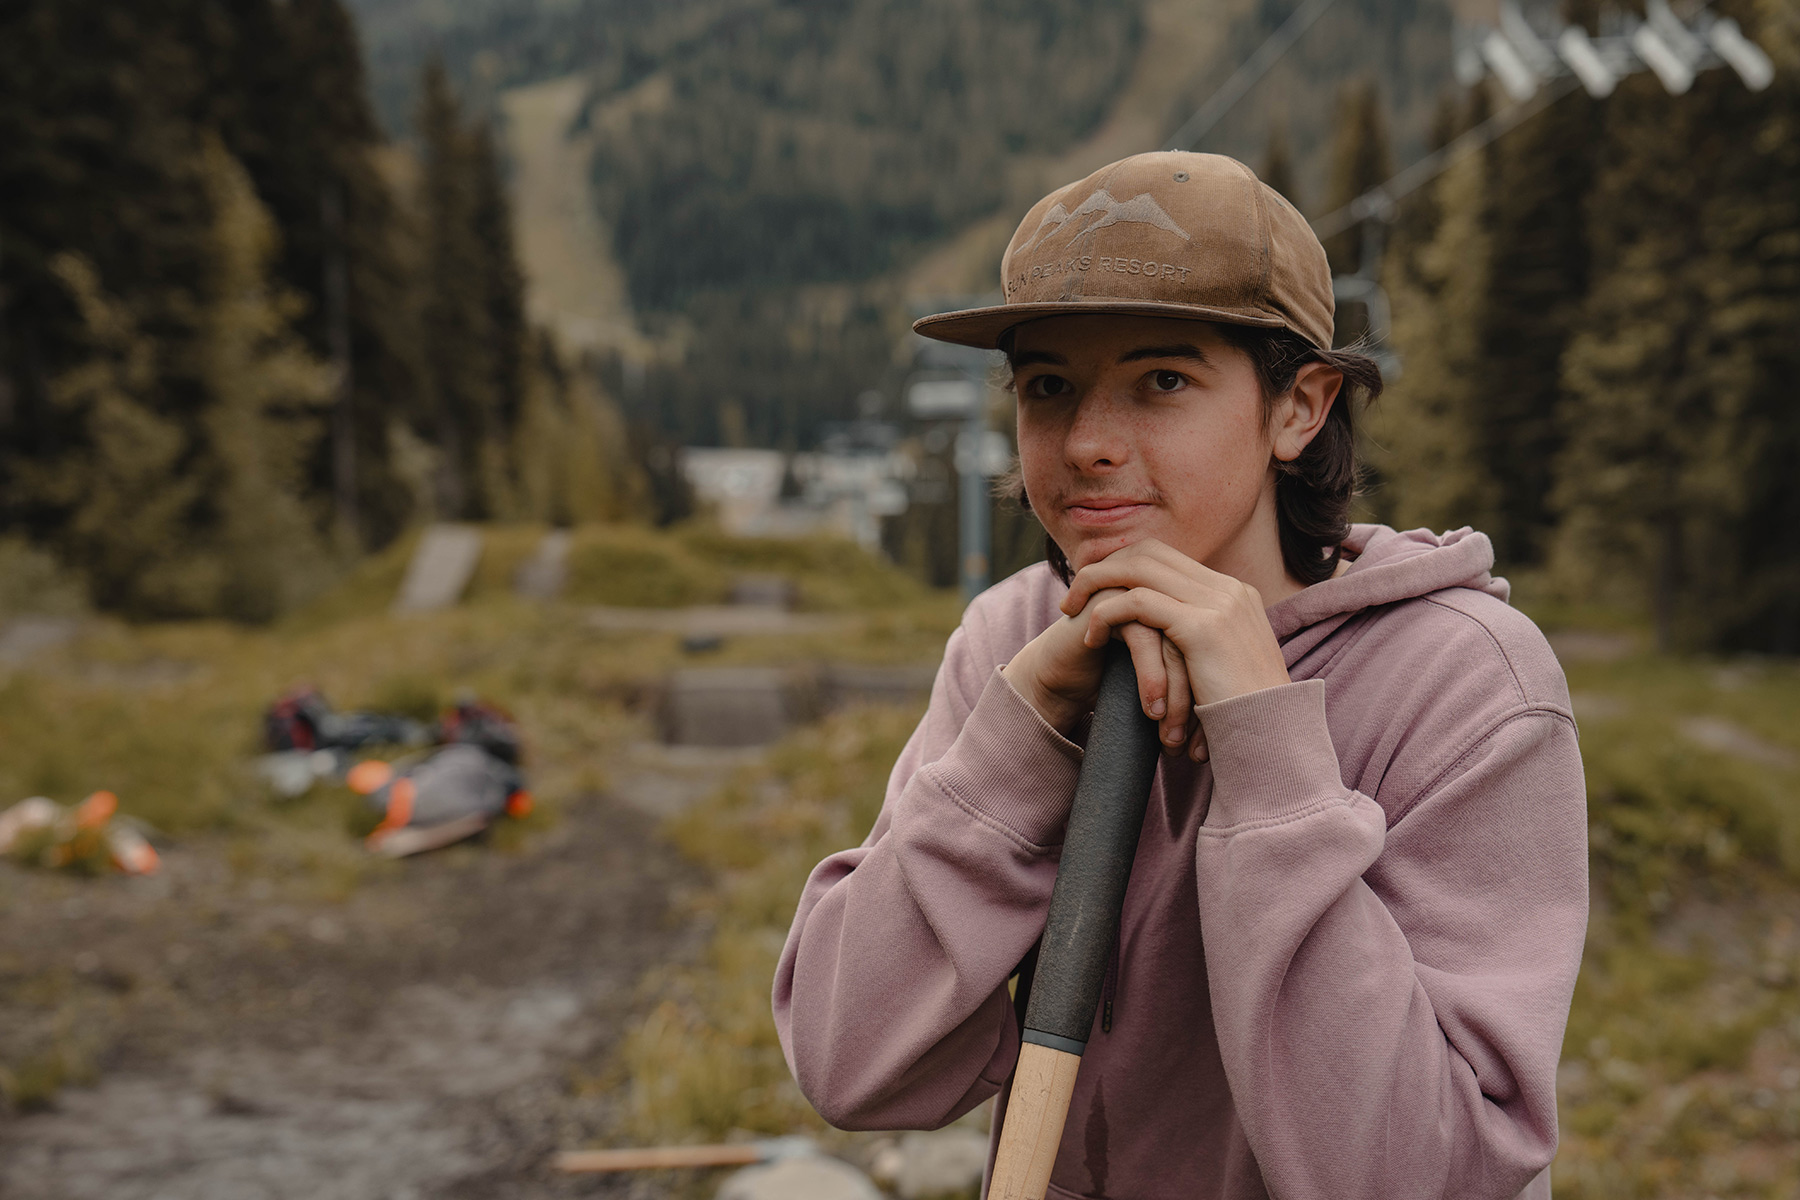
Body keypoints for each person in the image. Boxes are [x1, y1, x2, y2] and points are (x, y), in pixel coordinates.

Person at [773, 151, 1587, 1200]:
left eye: (1163, 381)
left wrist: (1270, 749)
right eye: (1047, 388)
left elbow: (1425, 1175)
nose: (1088, 444)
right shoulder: (1015, 637)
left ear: (1299, 407)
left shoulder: (1466, 680)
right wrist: (1021, 740)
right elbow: (850, 1064)